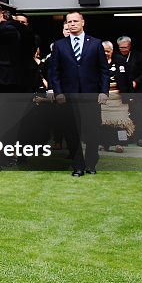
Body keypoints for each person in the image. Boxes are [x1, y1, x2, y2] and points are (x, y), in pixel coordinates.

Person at [48, 11, 110, 176]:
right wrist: (58, 92)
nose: (72, 24)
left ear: (83, 22)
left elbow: (104, 71)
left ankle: (91, 164)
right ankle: (78, 166)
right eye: (69, 21)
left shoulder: (96, 43)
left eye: (76, 21)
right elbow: (55, 72)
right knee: (72, 131)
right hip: (69, 97)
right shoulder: (60, 45)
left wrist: (104, 91)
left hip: (91, 95)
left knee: (92, 131)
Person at [114, 36, 142, 147]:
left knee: (139, 114)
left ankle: (140, 138)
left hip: (137, 90)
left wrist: (136, 82)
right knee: (122, 116)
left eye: (125, 47)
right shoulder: (116, 57)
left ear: (129, 46)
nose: (123, 50)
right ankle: (124, 139)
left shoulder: (139, 56)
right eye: (121, 48)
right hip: (122, 91)